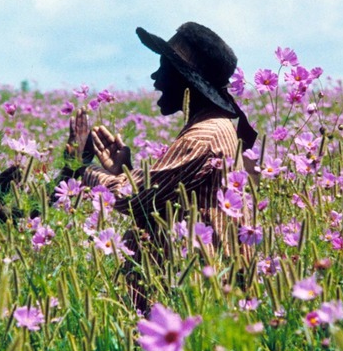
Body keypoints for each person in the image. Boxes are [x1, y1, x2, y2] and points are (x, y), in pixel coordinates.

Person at [68, 22, 258, 310]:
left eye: (164, 69)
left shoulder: (204, 136)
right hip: (193, 291)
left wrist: (82, 169)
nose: (155, 78)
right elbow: (155, 198)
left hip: (189, 297)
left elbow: (130, 199)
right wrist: (124, 173)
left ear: (187, 81)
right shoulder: (215, 128)